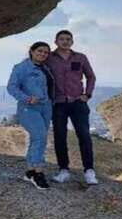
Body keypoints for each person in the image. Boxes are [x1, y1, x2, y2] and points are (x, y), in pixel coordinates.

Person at [46, 30, 98, 185]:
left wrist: (87, 95)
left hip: (78, 102)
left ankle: (89, 171)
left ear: (72, 42)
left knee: (84, 136)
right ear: (55, 41)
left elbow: (91, 76)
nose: (65, 42)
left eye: (68, 39)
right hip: (58, 103)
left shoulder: (80, 57)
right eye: (62, 39)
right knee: (60, 137)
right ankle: (63, 170)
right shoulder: (49, 58)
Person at [6, 41, 55, 190]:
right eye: (40, 51)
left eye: (46, 52)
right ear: (32, 51)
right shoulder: (22, 68)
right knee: (40, 137)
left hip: (45, 107)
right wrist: (27, 98)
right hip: (29, 108)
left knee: (37, 138)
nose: (43, 54)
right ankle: (38, 173)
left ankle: (30, 171)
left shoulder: (45, 68)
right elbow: (11, 87)